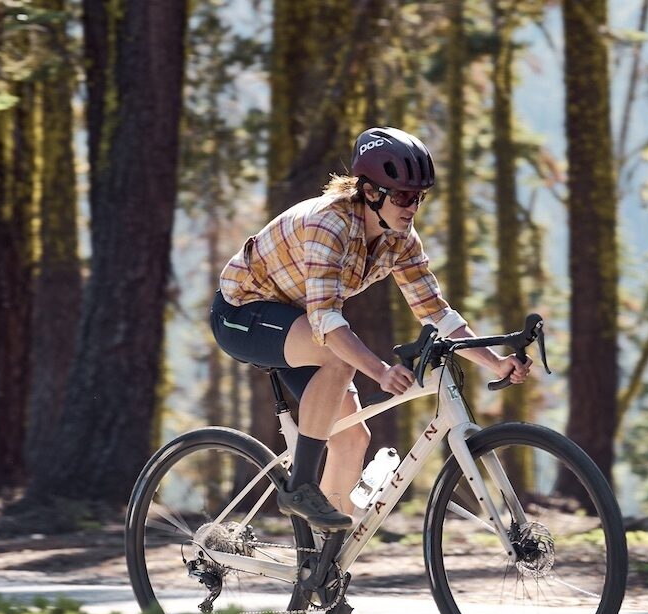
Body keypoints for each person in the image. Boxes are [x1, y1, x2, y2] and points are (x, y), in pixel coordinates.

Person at [209, 126, 530, 535]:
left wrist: (494, 362)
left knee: (353, 438)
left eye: (418, 197)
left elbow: (436, 313)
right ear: (370, 192)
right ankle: (300, 486)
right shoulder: (329, 223)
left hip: (298, 321)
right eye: (401, 195)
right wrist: (379, 371)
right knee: (336, 356)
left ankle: (320, 568)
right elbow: (326, 321)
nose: (411, 206)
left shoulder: (401, 240)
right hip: (243, 312)